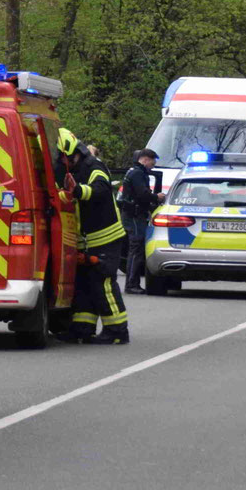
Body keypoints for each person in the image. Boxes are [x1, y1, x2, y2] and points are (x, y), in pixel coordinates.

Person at [57, 127, 129, 344]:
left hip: (105, 238)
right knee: (84, 283)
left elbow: (100, 190)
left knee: (103, 282)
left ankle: (117, 332)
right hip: (86, 240)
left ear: (74, 153)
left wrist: (78, 191)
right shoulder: (68, 170)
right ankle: (82, 329)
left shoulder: (94, 167)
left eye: (65, 157)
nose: (62, 161)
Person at [119, 148, 164, 291]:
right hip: (134, 215)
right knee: (136, 248)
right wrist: (156, 197)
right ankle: (132, 284)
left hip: (133, 214)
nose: (153, 166)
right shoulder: (138, 173)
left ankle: (132, 283)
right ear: (145, 159)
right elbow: (142, 194)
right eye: (152, 163)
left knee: (135, 249)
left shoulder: (133, 171)